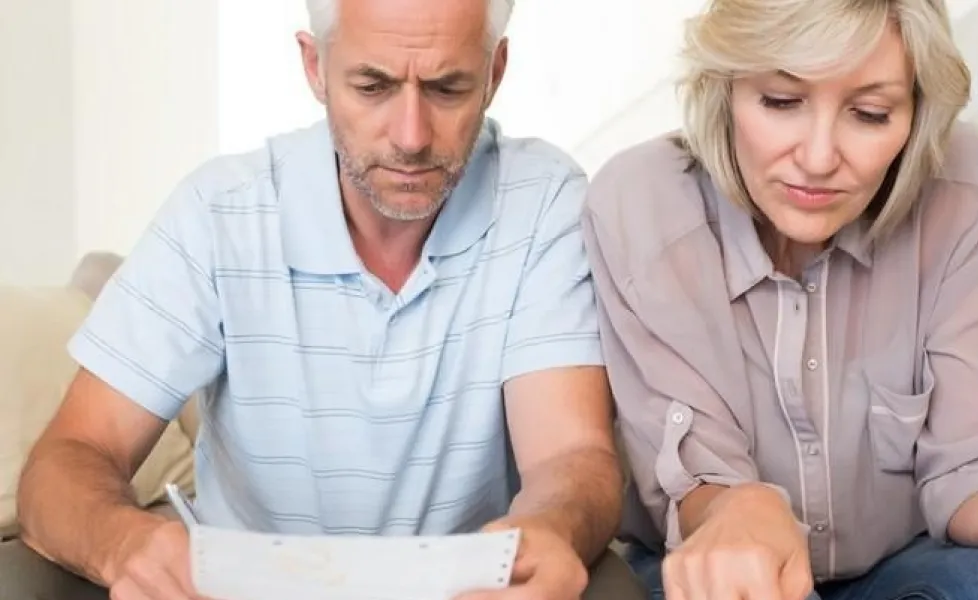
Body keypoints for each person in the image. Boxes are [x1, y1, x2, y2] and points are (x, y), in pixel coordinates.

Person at [3, 0, 642, 599]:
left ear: (495, 71)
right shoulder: (218, 213)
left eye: (448, 88)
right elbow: (70, 457)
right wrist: (122, 543)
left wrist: (552, 530)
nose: (412, 135)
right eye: (373, 86)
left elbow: (569, 456)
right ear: (314, 66)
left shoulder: (544, 202)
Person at [580, 1, 978, 599]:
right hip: (715, 570)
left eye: (871, 114)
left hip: (905, 561)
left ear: (917, 113)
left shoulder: (967, 188)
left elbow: (977, 468)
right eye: (780, 101)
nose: (819, 159)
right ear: (725, 89)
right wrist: (742, 508)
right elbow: (700, 481)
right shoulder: (641, 203)